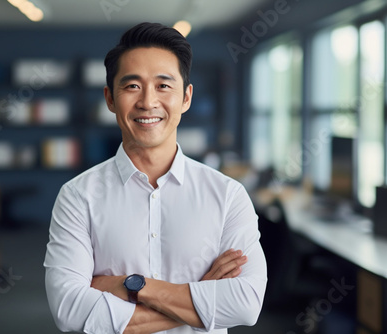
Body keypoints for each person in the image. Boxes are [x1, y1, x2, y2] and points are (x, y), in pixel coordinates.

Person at [44, 22, 267, 334]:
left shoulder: (228, 195)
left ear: (186, 97)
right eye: (132, 86)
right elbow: (69, 311)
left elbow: (246, 304)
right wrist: (201, 293)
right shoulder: (77, 196)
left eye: (164, 86)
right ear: (110, 98)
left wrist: (132, 287)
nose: (148, 102)